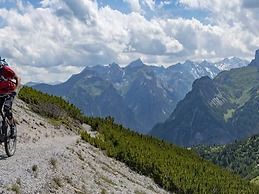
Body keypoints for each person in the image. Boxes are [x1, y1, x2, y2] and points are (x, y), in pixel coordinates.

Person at [0, 57, 21, 138]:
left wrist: (15, 90)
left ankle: (12, 127)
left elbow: (18, 78)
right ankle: (3, 126)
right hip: (1, 91)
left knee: (6, 108)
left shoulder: (6, 70)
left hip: (10, 91)